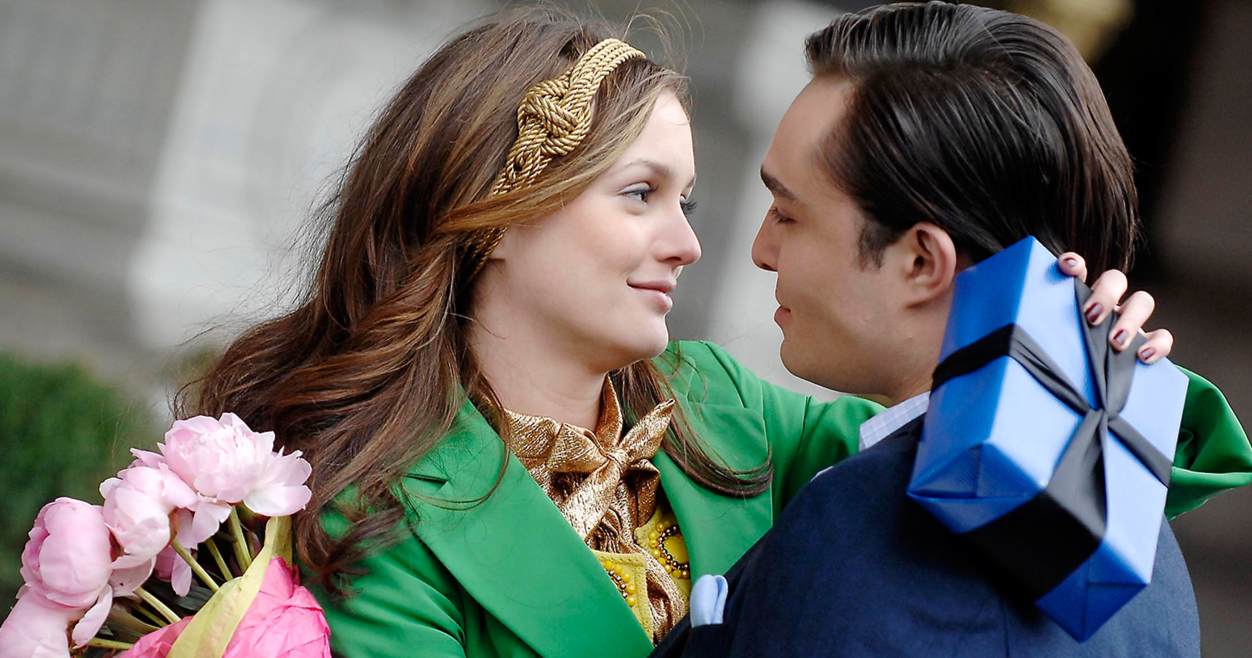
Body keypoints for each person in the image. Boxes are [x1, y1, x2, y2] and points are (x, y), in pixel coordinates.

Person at [178, 7, 1249, 658]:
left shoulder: (716, 404)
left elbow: (963, 467)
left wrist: (1087, 353)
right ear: (493, 212)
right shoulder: (375, 504)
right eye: (640, 194)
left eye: (687, 201)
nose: (696, 244)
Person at [649, 3, 1252, 657]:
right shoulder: (1158, 570)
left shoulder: (864, 522)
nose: (762, 250)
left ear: (921, 262)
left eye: (789, 215)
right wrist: (1091, 374)